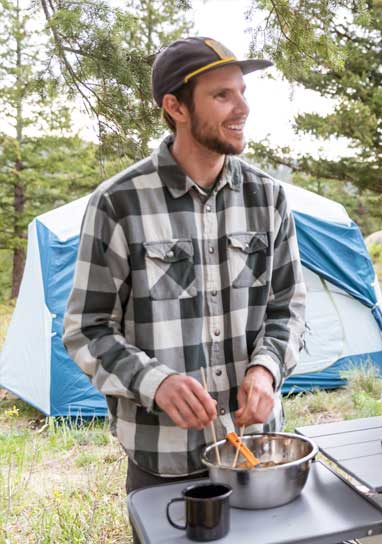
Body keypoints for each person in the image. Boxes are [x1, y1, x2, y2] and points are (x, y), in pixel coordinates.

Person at [63, 36, 306, 510]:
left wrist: (267, 367)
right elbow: (86, 329)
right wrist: (157, 383)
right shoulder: (119, 203)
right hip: (162, 461)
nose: (243, 108)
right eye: (222, 95)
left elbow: (288, 307)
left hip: (258, 452)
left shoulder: (269, 197)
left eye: (242, 92)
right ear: (174, 106)